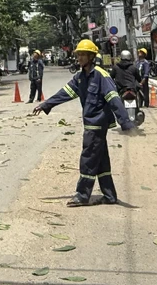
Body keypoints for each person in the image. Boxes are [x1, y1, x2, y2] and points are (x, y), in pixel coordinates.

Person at [33, 39, 136, 206]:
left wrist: (126, 123)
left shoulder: (102, 76)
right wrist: (46, 104)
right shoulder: (80, 77)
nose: (79, 58)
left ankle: (82, 195)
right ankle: (109, 196)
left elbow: (114, 99)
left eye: (82, 54)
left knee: (88, 158)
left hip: (97, 124)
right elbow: (64, 93)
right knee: (100, 160)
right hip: (90, 123)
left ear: (91, 56)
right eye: (78, 54)